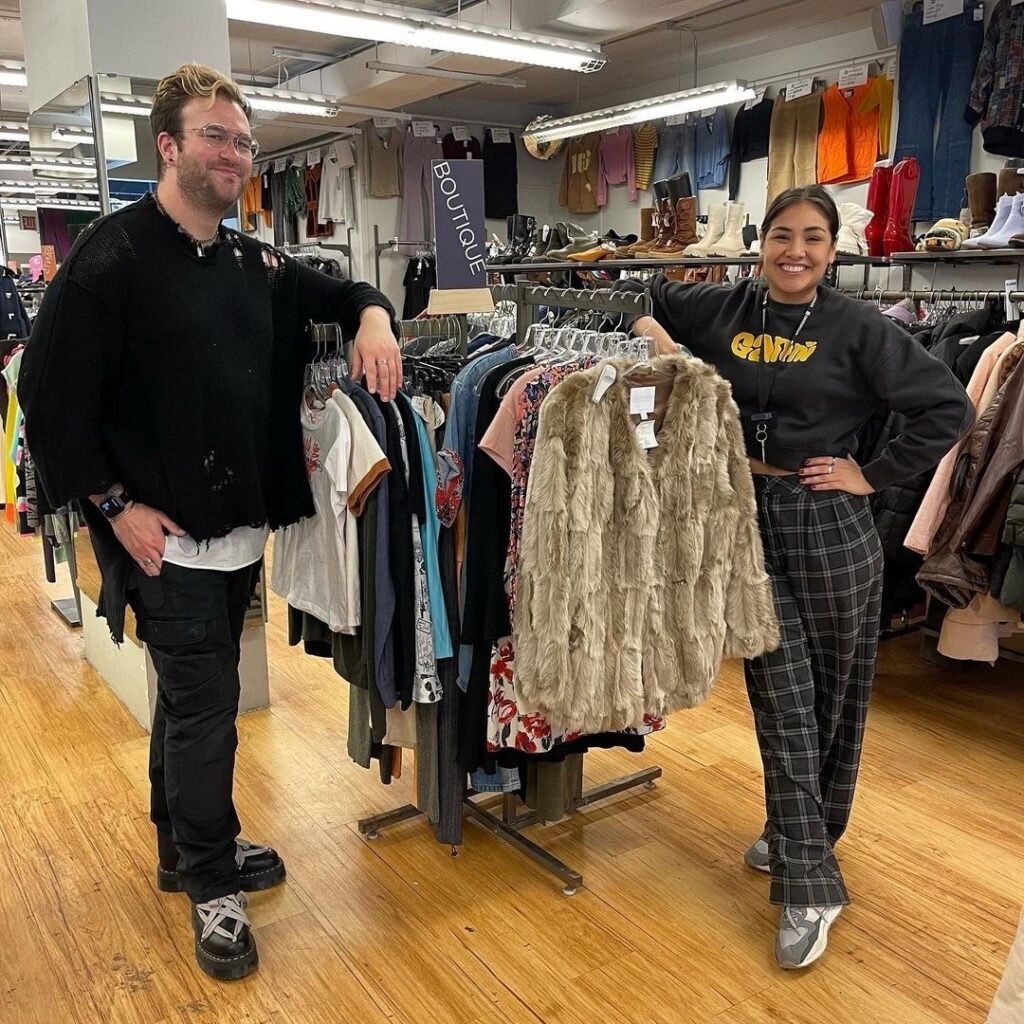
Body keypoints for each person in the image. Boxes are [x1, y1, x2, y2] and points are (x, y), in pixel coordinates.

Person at [18, 63, 403, 982]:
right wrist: (115, 507)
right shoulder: (107, 264)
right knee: (208, 716)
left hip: (236, 532)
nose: (235, 155)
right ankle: (212, 881)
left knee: (190, 708)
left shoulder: (251, 263)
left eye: (243, 141)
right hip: (167, 539)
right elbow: (46, 398)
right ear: (170, 145)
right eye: (216, 138)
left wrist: (377, 316)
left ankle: (178, 852)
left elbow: (336, 293)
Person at [620, 185, 973, 969]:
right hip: (742, 519)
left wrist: (873, 474)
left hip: (829, 521)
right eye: (783, 235)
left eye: (814, 238)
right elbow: (641, 296)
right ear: (760, 241)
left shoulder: (858, 328)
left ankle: (802, 830)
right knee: (778, 691)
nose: (797, 252)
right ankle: (811, 881)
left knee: (838, 691)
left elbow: (949, 408)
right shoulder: (722, 309)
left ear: (833, 249)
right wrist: (650, 339)